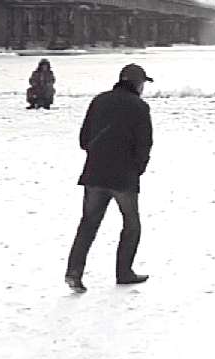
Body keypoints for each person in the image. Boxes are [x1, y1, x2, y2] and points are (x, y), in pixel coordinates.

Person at [64, 64, 155, 292]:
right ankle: (124, 272)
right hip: (124, 177)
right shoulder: (140, 108)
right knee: (131, 225)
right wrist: (138, 169)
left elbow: (84, 140)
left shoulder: (99, 101)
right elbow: (144, 145)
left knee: (88, 224)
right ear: (137, 83)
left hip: (94, 173)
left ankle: (74, 273)